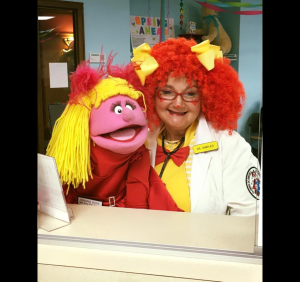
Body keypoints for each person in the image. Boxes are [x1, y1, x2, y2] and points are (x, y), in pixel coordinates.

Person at [131, 37, 260, 216]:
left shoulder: (230, 146)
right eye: (167, 92)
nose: (178, 103)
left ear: (206, 97)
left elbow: (250, 218)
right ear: (152, 94)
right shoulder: (137, 141)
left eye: (190, 93)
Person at [46, 51, 182, 212]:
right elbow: (60, 184)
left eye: (130, 106)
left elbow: (137, 196)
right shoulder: (77, 148)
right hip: (77, 212)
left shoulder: (138, 152)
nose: (128, 114)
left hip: (120, 212)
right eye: (118, 109)